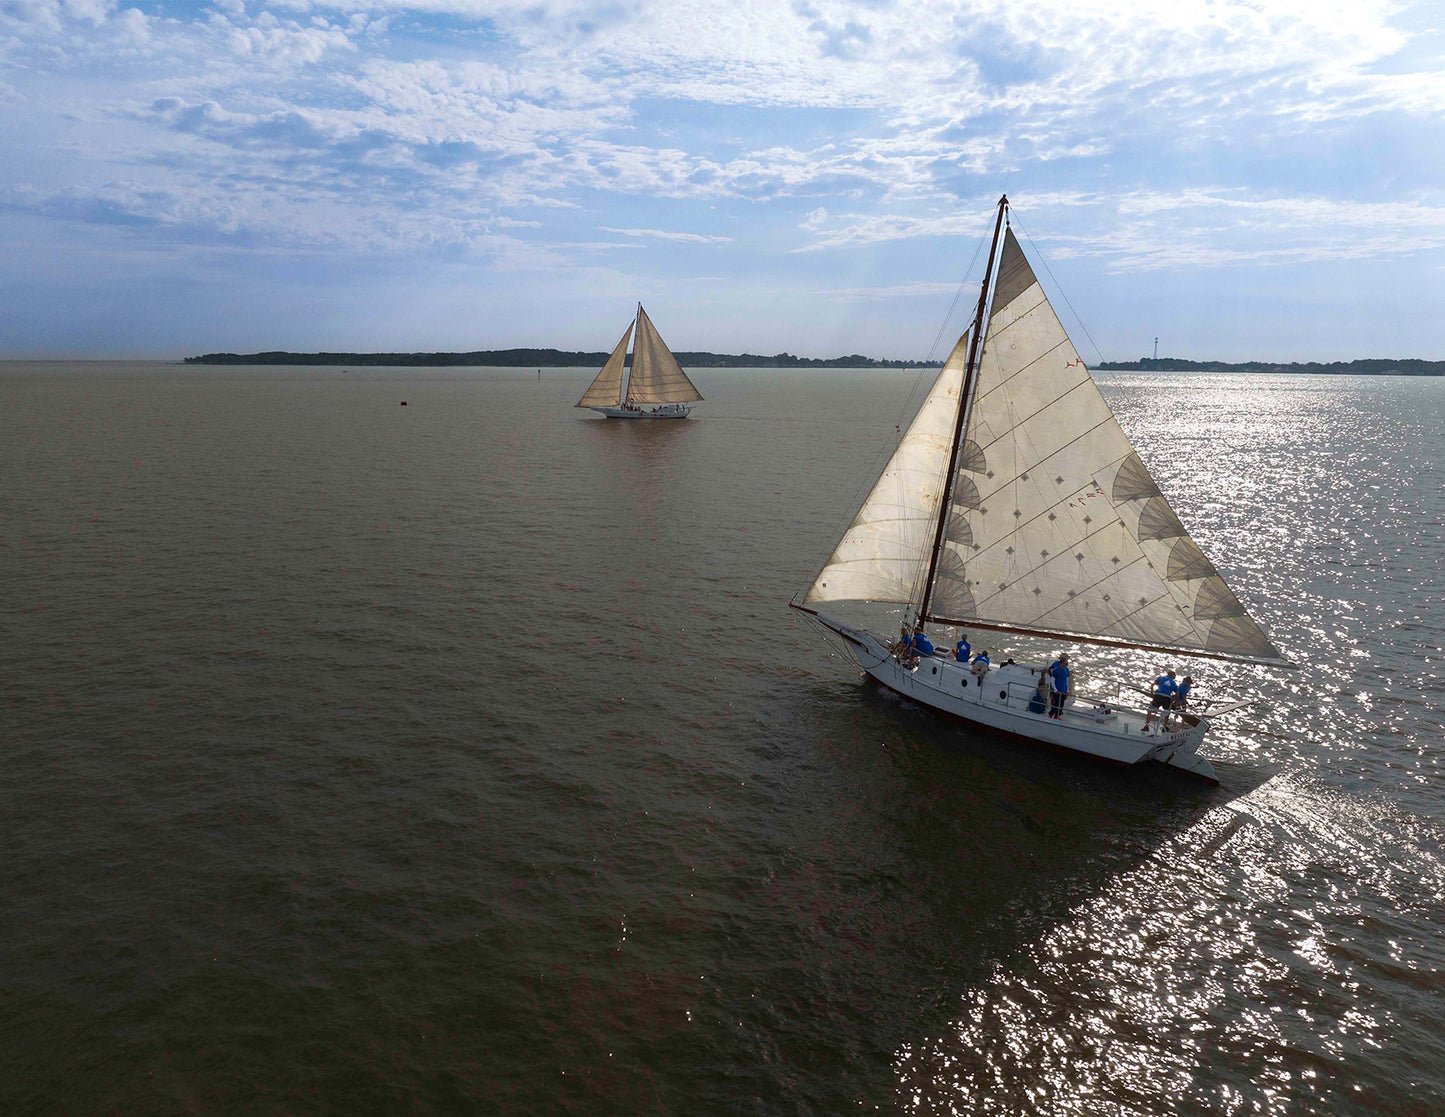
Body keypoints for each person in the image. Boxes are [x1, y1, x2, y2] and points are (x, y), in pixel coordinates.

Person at [1047, 654, 1071, 718]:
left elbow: (1067, 680)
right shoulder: (1056, 669)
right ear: (1062, 663)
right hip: (1057, 688)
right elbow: (1052, 679)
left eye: (1067, 663)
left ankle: (1058, 715)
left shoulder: (1067, 670)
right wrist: (1055, 689)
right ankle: (1051, 714)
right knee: (1056, 702)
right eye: (1066, 663)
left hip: (1064, 689)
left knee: (1061, 704)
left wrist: (1068, 690)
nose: (1067, 664)